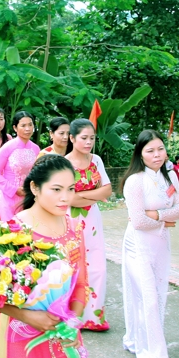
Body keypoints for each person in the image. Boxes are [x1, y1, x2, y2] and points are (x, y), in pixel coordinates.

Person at [0, 155, 89, 358]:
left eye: (71, 189)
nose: (65, 198)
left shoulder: (74, 227)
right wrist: (28, 316)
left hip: (65, 331)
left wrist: (72, 324)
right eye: (56, 189)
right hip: (23, 333)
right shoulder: (14, 231)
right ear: (35, 187)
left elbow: (82, 283)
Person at [120, 130, 179, 358]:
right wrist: (163, 220)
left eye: (160, 149)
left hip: (161, 244)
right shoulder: (135, 181)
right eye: (150, 150)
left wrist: (157, 216)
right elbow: (137, 221)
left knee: (157, 296)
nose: (157, 155)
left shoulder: (170, 178)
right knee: (147, 297)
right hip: (138, 245)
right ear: (140, 153)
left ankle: (135, 338)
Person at [66, 119, 112, 331]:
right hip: (70, 219)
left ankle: (93, 317)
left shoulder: (97, 161)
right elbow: (68, 198)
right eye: (83, 138)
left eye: (91, 138)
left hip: (92, 219)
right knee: (73, 265)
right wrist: (93, 197)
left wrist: (83, 196)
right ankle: (72, 315)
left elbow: (107, 191)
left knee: (97, 266)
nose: (88, 142)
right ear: (72, 138)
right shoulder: (63, 163)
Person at [0, 111, 40, 221]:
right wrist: (14, 189)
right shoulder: (7, 147)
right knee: (10, 230)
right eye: (23, 125)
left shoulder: (36, 148)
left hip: (28, 196)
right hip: (8, 196)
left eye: (30, 124)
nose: (28, 129)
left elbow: (36, 172)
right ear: (15, 128)